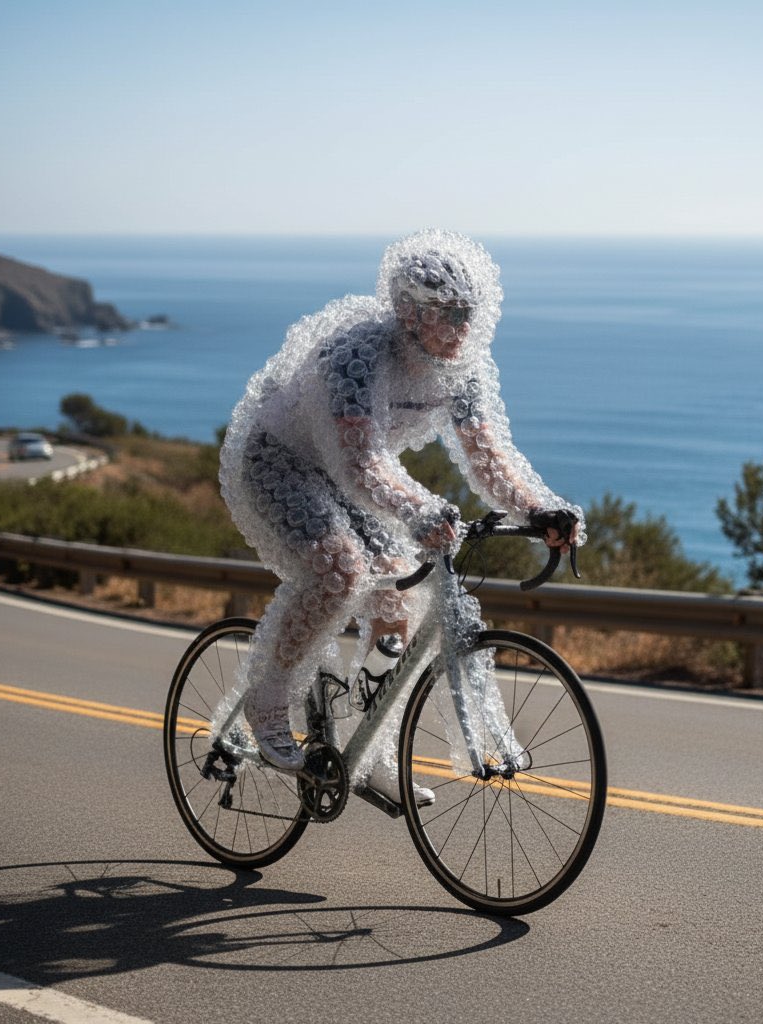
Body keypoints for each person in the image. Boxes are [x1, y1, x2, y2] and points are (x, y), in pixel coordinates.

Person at [219, 229, 582, 804]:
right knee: (340, 570)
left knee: (398, 598)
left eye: (470, 312)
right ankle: (268, 702)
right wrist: (419, 507)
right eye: (449, 312)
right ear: (410, 313)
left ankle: (373, 751)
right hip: (278, 461)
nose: (462, 326)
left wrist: (538, 509)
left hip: (344, 478)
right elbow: (361, 462)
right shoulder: (359, 354)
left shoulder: (464, 369)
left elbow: (488, 457)